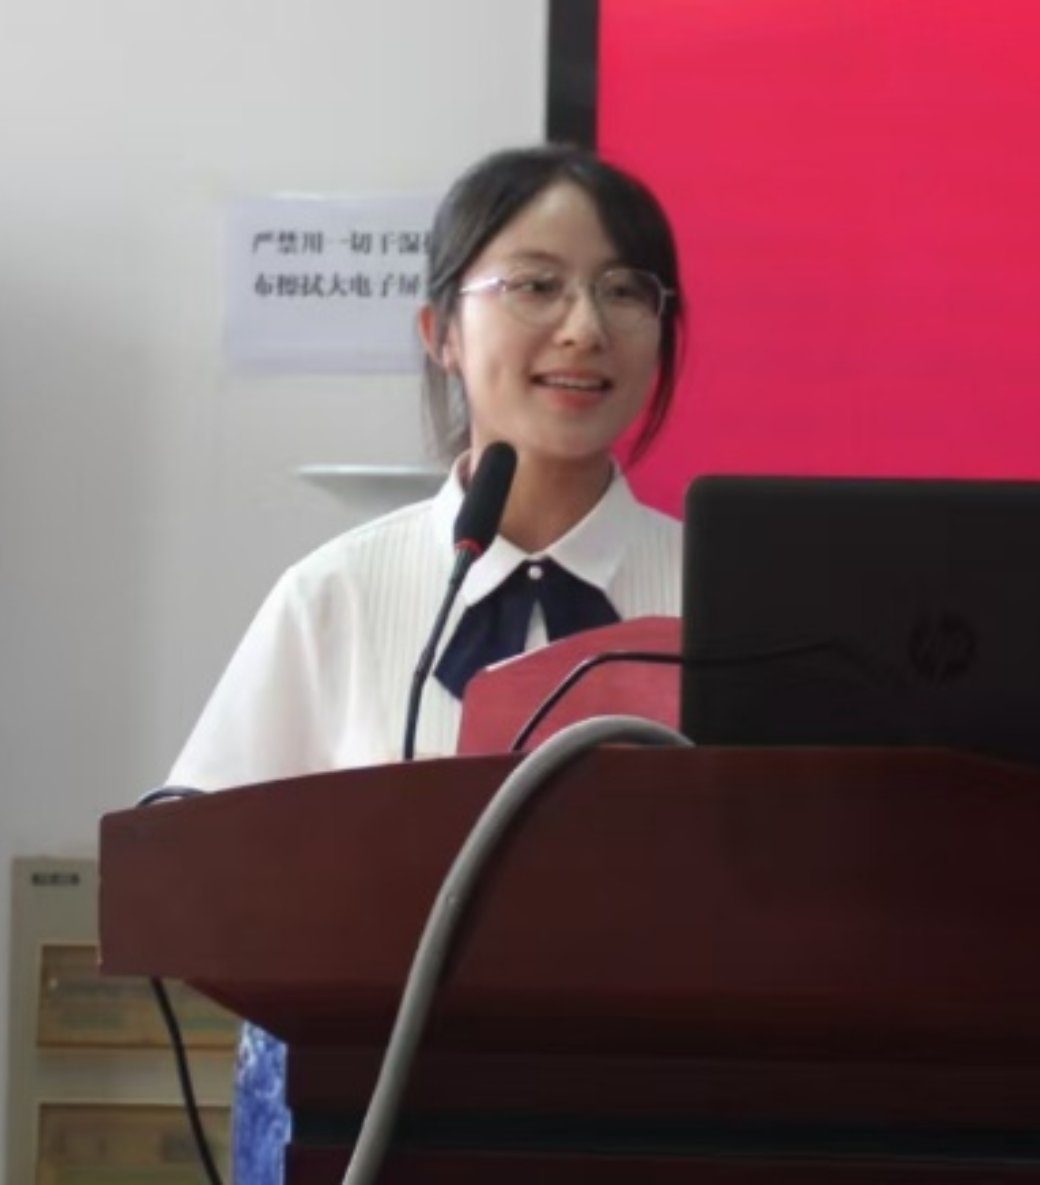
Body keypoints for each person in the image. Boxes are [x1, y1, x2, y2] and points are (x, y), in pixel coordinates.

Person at [165, 144, 688, 1185]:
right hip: (380, 1131)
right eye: (536, 284)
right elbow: (202, 878)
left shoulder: (723, 595)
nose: (584, 326)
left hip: (665, 1125)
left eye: (625, 290)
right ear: (440, 330)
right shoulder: (337, 594)